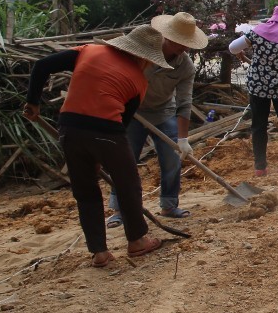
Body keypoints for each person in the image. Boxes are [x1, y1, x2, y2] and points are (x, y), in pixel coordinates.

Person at [24, 26, 174, 266]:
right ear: (145, 58)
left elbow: (41, 66)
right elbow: (121, 126)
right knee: (128, 184)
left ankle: (99, 252)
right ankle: (137, 240)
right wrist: (102, 153)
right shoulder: (138, 82)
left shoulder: (88, 51)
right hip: (106, 132)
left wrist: (33, 102)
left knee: (86, 192)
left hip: (69, 128)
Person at [106, 12, 209, 226]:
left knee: (172, 159)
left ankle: (169, 205)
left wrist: (182, 139)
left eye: (187, 44)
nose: (185, 48)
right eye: (181, 43)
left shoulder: (185, 66)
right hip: (133, 112)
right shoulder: (141, 51)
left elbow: (184, 102)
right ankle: (119, 210)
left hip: (163, 112)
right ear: (167, 38)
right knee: (125, 161)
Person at [229, 5, 278, 176]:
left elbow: (233, 48)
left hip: (257, 85)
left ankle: (260, 167)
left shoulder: (257, 32)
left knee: (258, 125)